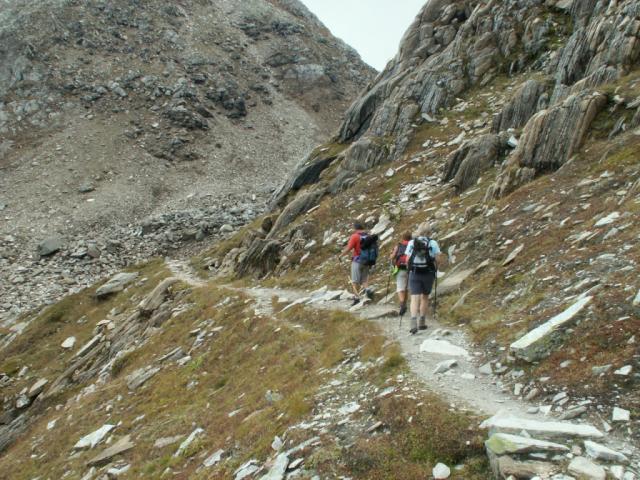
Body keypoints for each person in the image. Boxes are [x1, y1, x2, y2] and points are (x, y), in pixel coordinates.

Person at [404, 224, 446, 334]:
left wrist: (409, 269)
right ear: (429, 232)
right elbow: (438, 259)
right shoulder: (433, 243)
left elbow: (407, 259)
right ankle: (422, 322)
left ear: (418, 231)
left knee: (414, 297)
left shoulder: (412, 242)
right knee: (425, 297)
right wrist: (436, 265)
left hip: (414, 273)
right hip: (428, 273)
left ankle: (413, 322)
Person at [341, 222, 371, 305]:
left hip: (357, 261)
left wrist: (341, 255)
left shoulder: (355, 236)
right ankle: (367, 295)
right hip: (367, 261)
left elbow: (349, 248)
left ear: (355, 228)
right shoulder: (368, 236)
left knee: (355, 281)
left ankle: (356, 298)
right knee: (364, 280)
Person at [389, 231, 412, 316]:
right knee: (407, 288)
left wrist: (391, 255)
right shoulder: (413, 245)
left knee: (400, 287)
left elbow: (392, 257)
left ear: (403, 238)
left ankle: (402, 304)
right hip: (410, 269)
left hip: (400, 268)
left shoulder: (398, 245)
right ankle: (406, 304)